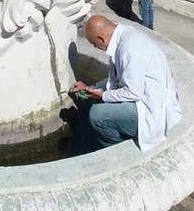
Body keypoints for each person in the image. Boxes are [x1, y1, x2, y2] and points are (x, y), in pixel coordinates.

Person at [71, 14, 182, 152]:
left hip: (153, 109)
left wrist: (102, 95)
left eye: (94, 44)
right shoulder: (124, 36)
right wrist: (92, 88)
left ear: (101, 38)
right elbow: (118, 78)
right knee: (91, 101)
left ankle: (114, 150)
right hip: (147, 96)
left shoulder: (128, 49)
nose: (95, 47)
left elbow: (133, 93)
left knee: (98, 115)